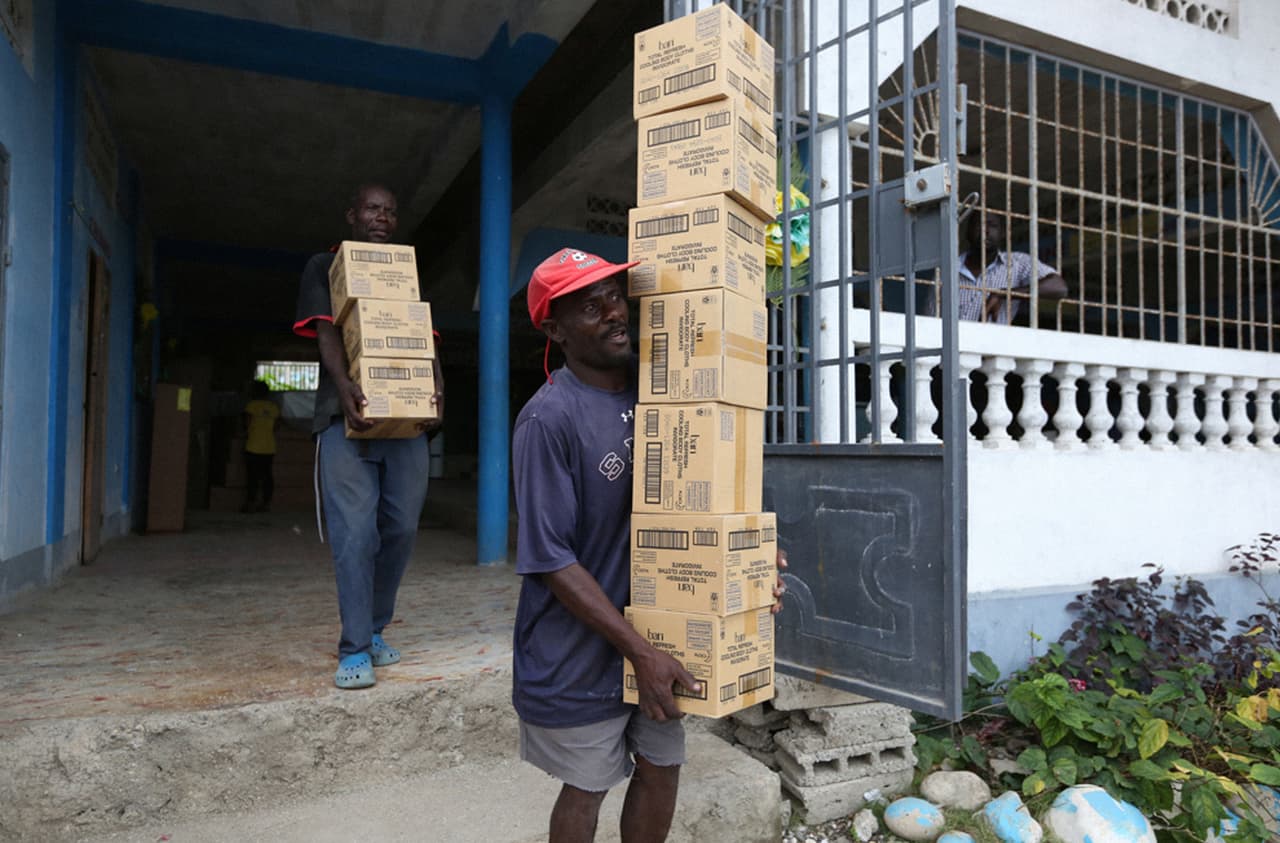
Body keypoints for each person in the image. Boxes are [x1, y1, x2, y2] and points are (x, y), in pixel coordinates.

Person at [511, 247, 786, 843]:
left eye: (615, 296)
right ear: (555, 332)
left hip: (664, 630)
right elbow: (551, 558)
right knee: (587, 785)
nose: (614, 312)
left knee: (663, 765)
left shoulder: (667, 389)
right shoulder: (548, 419)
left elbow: (707, 491)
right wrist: (638, 650)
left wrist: (749, 556)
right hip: (578, 650)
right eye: (591, 307)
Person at [292, 183, 443, 690]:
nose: (382, 218)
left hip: (404, 421)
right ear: (352, 214)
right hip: (346, 421)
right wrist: (345, 389)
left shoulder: (402, 269)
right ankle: (354, 647)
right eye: (373, 209)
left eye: (391, 212)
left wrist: (435, 386)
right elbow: (326, 330)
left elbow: (420, 332)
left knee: (400, 529)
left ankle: (375, 628)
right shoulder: (325, 265)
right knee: (356, 534)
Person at [955, 211, 1068, 324]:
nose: (986, 230)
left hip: (992, 336)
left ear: (1002, 233)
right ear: (968, 232)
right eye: (979, 224)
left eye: (992, 225)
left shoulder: (1017, 263)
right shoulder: (948, 266)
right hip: (948, 336)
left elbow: (1059, 287)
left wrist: (1004, 294)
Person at [241, 379, 280, 513]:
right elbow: (276, 427)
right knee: (267, 476)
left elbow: (247, 423)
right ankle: (266, 503)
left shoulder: (252, 406)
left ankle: (251, 503)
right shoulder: (273, 407)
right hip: (269, 447)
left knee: (252, 476)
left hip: (253, 446)